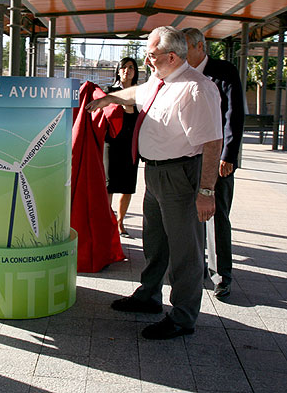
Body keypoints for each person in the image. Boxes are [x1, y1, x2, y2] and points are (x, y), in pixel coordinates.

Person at [87, 26, 222, 340]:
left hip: (181, 175)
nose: (146, 61)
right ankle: (148, 296)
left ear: (171, 56)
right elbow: (136, 93)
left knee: (185, 250)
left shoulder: (196, 89)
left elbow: (213, 143)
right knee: (155, 240)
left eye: (151, 55)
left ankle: (182, 317)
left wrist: (206, 191)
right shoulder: (159, 82)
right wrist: (109, 97)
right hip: (156, 173)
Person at [182, 27, 244, 300]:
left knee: (216, 216)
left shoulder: (224, 71)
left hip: (216, 159)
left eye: (185, 48)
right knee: (185, 214)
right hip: (185, 157)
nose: (181, 54)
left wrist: (228, 154)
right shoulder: (180, 74)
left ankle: (221, 276)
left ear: (199, 46)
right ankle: (190, 270)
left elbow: (234, 114)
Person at [71, 80, 124, 273]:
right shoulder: (93, 95)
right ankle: (91, 252)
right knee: (92, 204)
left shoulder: (75, 98)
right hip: (90, 161)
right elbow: (114, 112)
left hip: (72, 158)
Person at [103, 57, 140, 237]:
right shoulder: (108, 91)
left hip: (131, 145)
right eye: (124, 67)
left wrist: (125, 103)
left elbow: (136, 115)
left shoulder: (142, 92)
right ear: (118, 71)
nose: (127, 70)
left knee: (127, 186)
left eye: (131, 67)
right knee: (109, 184)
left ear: (135, 71)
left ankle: (120, 223)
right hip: (111, 144)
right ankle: (106, 220)